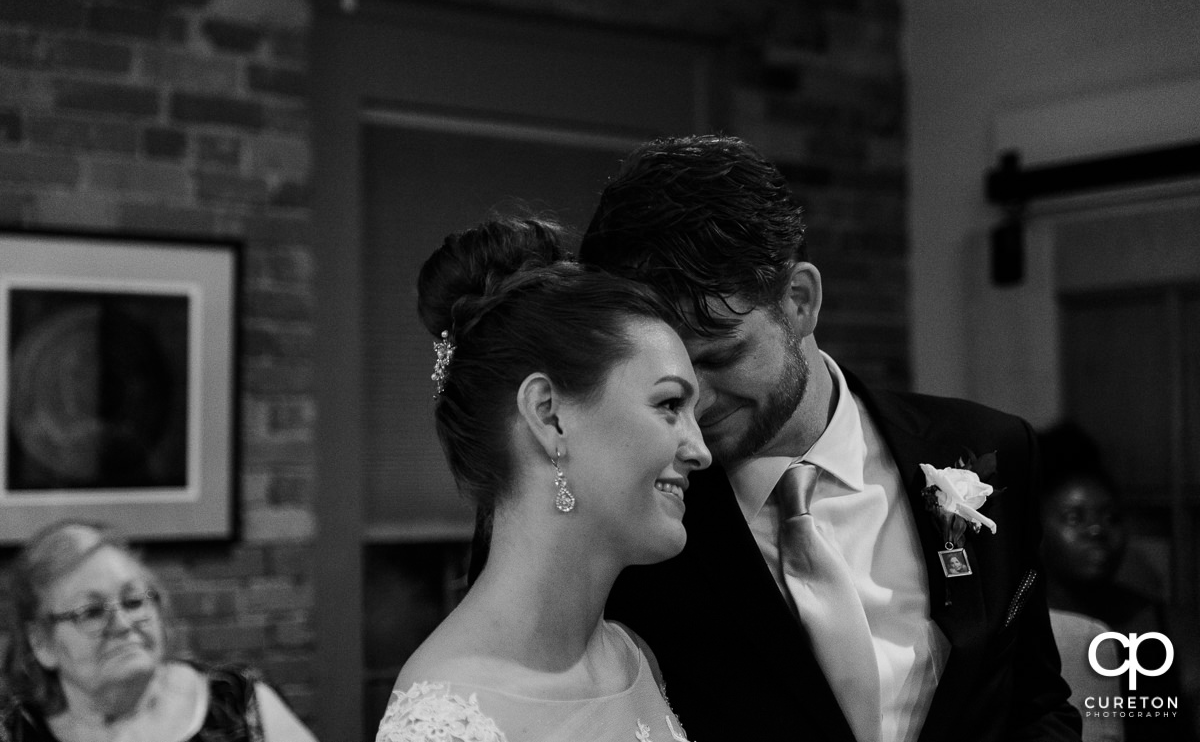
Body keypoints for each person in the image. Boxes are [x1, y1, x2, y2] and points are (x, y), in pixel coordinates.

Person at [579, 134, 1082, 742]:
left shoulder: (990, 449)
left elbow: (1034, 703)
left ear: (799, 302)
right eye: (664, 378)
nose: (695, 402)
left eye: (719, 357)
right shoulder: (623, 512)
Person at [373, 217, 711, 741]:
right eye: (669, 404)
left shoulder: (635, 658)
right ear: (549, 415)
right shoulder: (447, 722)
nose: (701, 451)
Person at [0, 520, 318, 742]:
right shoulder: (15, 732)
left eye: (134, 601)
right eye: (92, 612)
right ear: (43, 643)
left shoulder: (239, 706)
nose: (123, 625)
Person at [1038, 422, 1200, 742]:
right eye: (1075, 518)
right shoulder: (1020, 624)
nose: (1097, 530)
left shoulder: (1168, 623)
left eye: (1110, 517)